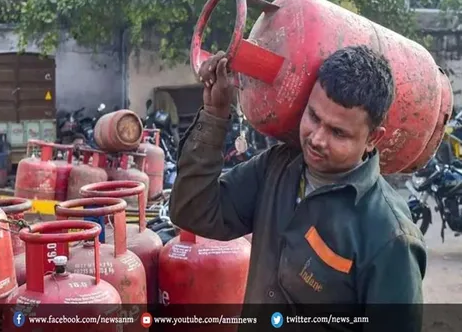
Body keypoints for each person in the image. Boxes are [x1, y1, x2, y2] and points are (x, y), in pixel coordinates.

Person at [169, 46, 427, 331]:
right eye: (314, 117)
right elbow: (192, 212)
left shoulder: (390, 238)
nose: (317, 139)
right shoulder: (277, 168)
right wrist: (215, 114)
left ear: (372, 139)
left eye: (338, 132)